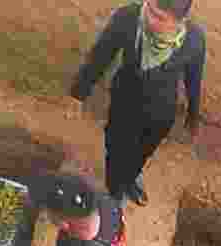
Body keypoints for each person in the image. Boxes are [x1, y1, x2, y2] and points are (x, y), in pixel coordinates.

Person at [69, 0, 206, 207]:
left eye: (159, 17)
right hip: (123, 101)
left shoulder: (194, 40)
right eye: (148, 8)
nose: (148, 18)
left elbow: (193, 80)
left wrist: (193, 115)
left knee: (142, 152)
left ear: (179, 22)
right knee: (115, 149)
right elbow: (100, 55)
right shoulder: (128, 17)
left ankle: (130, 179)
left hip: (160, 112)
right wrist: (78, 94)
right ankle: (115, 189)